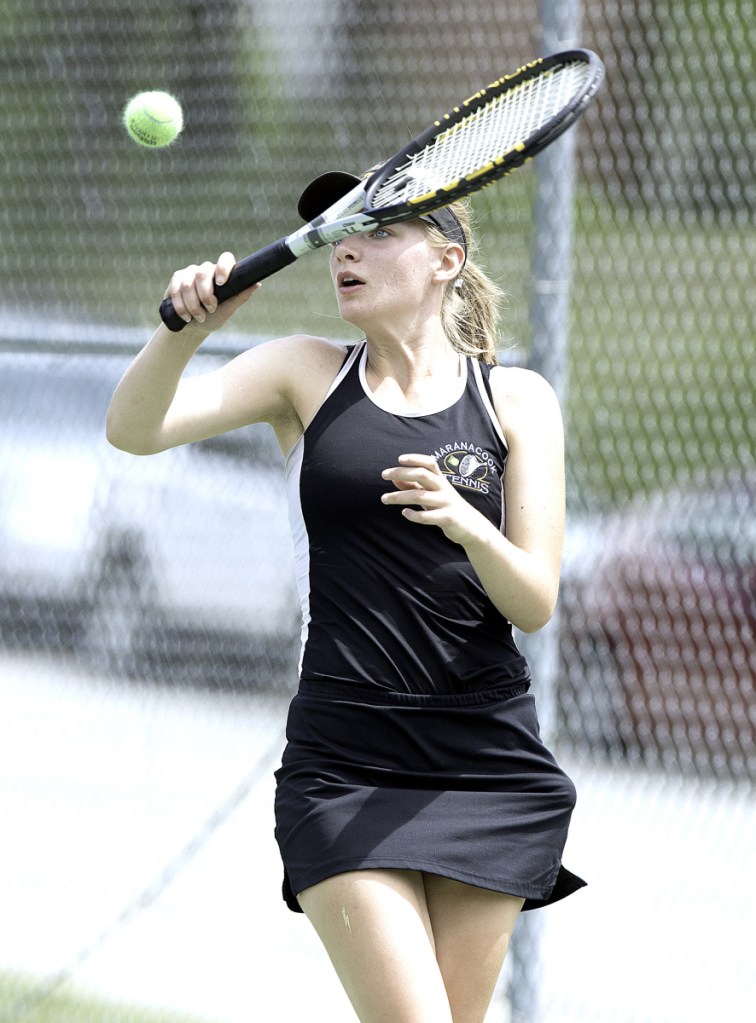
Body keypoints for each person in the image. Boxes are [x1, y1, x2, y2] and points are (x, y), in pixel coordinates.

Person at [106, 174, 585, 1023]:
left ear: (447, 259)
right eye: (340, 236)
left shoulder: (516, 401)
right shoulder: (306, 373)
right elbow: (136, 430)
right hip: (346, 763)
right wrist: (184, 329)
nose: (347, 251)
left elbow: (535, 600)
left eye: (376, 233)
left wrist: (466, 526)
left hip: (486, 763)